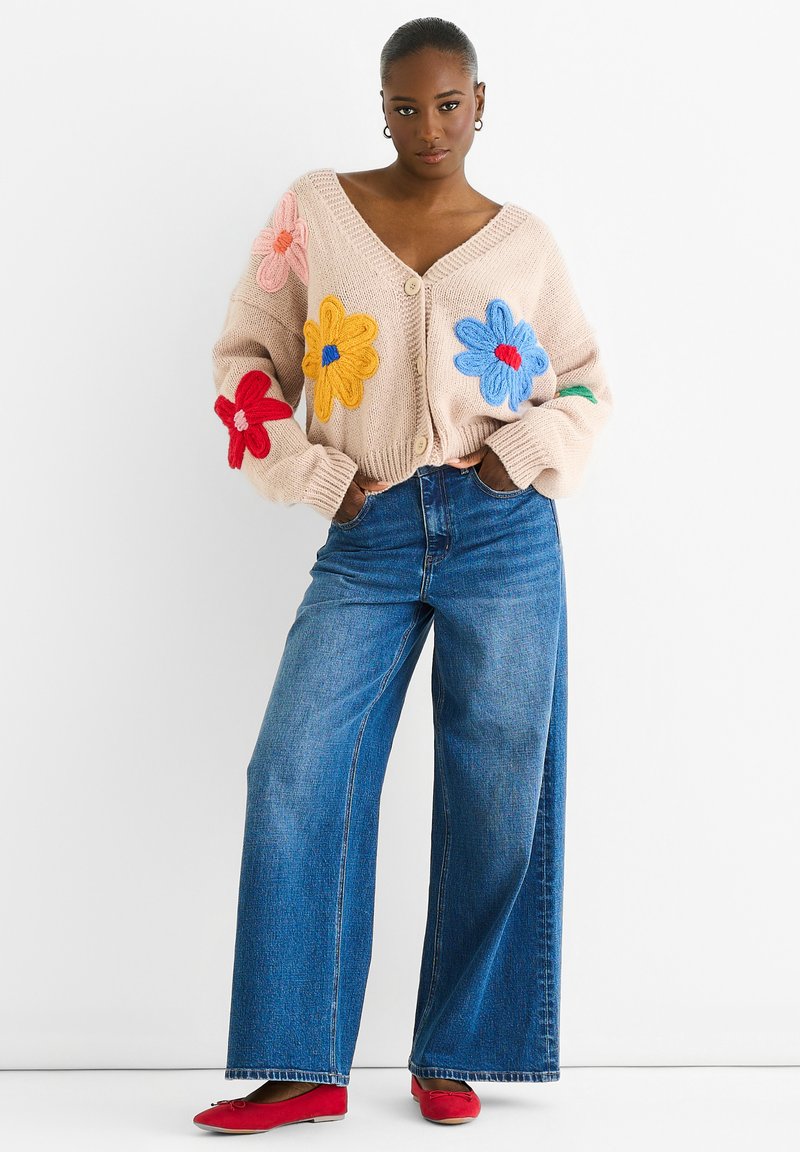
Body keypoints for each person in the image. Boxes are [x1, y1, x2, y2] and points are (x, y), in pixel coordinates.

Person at [193, 16, 612, 1135]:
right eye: (403, 104)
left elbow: (583, 381)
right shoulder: (315, 212)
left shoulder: (521, 241)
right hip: (366, 531)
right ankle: (300, 1060)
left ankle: (454, 1052)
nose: (427, 124)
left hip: (502, 530)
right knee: (295, 770)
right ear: (379, 106)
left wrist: (515, 458)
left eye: (447, 102)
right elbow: (244, 362)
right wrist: (315, 475)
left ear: (481, 104)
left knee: (496, 793)